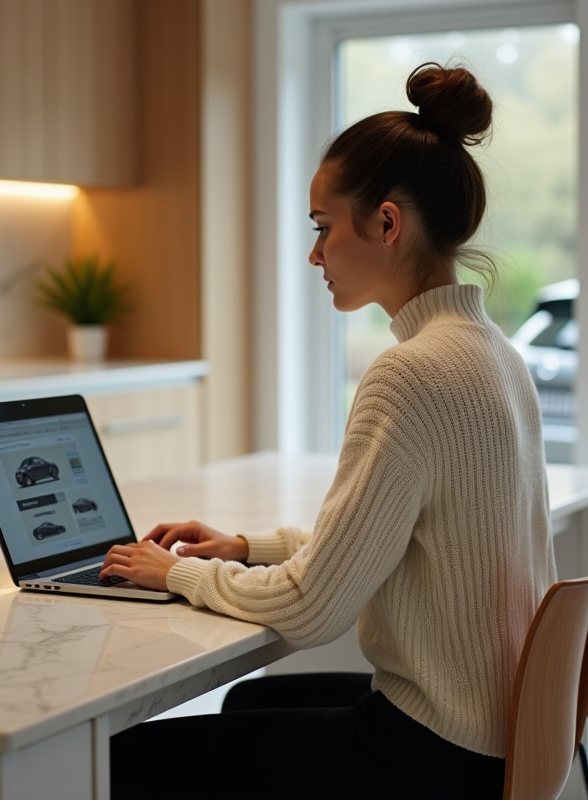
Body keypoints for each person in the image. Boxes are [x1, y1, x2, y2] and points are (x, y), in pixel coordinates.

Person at [100, 62, 555, 800]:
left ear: (386, 223)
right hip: (501, 735)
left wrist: (174, 572)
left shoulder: (410, 373)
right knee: (252, 703)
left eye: (322, 228)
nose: (314, 255)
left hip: (436, 756)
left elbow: (313, 610)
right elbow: (400, 543)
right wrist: (249, 549)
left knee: (127, 759)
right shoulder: (495, 354)